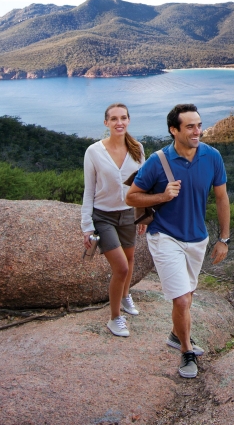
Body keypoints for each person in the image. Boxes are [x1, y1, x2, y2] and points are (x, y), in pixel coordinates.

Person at [126, 104, 230, 378]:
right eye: (190, 127)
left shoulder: (212, 156)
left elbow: (221, 197)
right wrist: (162, 196)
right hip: (164, 235)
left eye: (199, 125)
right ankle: (186, 350)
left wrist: (224, 238)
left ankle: (176, 334)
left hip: (198, 237)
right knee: (182, 300)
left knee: (188, 295)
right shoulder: (158, 161)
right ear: (174, 130)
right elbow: (132, 197)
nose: (198, 131)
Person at [82, 103, 146, 337]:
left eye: (123, 118)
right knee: (120, 267)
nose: (119, 122)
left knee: (129, 260)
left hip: (128, 213)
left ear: (129, 120)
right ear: (106, 122)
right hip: (103, 216)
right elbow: (89, 191)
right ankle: (115, 317)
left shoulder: (137, 148)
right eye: (114, 119)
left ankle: (126, 295)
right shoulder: (94, 151)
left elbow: (143, 186)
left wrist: (142, 214)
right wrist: (86, 226)